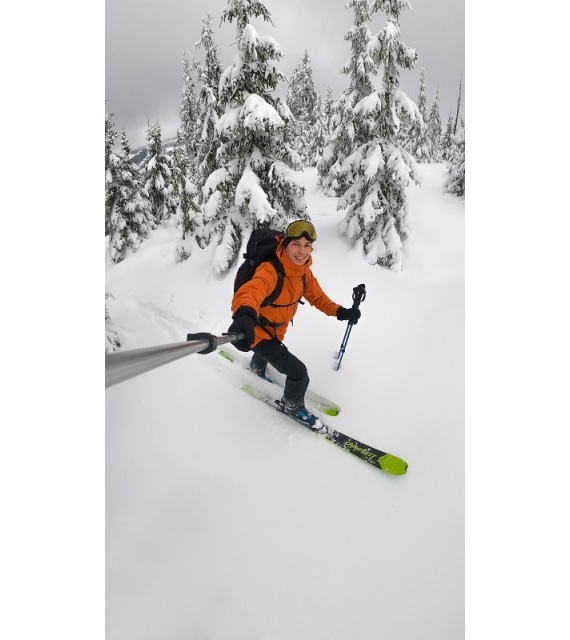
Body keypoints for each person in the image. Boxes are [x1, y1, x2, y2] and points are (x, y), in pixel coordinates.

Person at [227, 219, 361, 426]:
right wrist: (244, 314)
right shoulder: (270, 270)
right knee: (299, 373)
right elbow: (252, 291)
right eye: (296, 244)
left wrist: (341, 312)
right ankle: (292, 405)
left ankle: (257, 367)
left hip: (276, 331)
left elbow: (318, 298)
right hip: (257, 331)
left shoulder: (303, 273)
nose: (302, 251)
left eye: (307, 245)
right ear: (285, 245)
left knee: (265, 353)